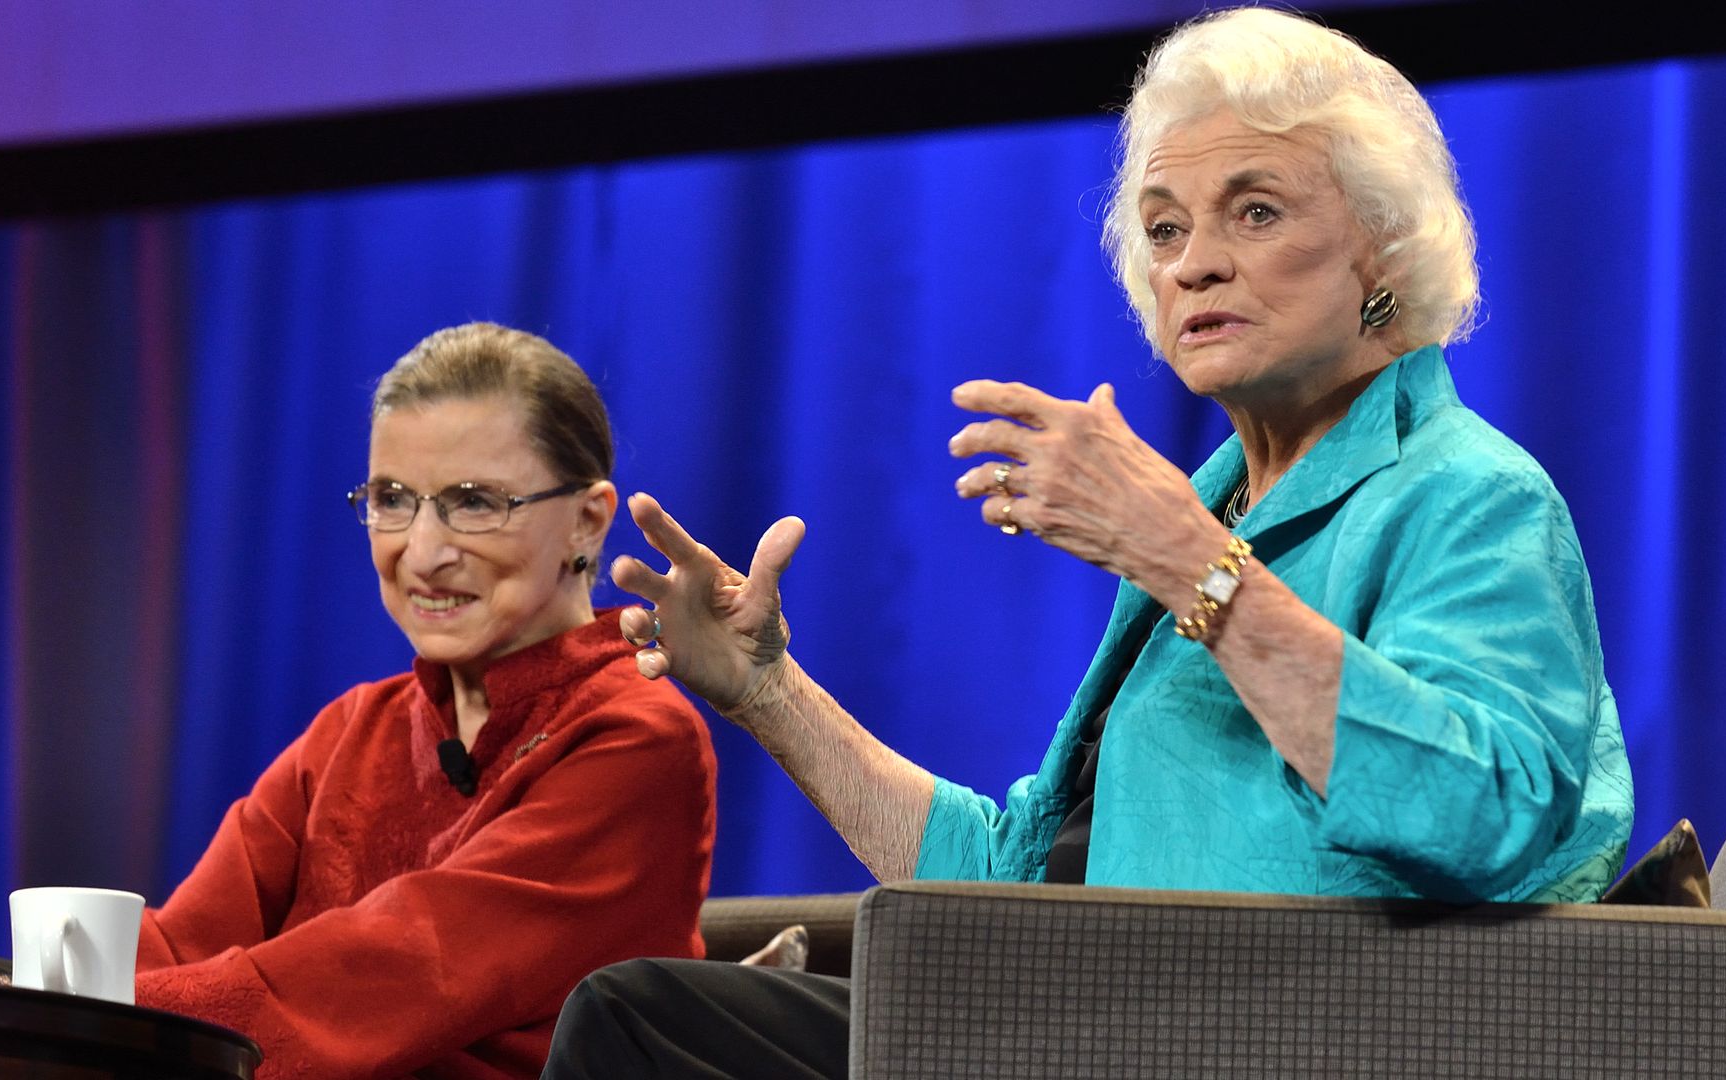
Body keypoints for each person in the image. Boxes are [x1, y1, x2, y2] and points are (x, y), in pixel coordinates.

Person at [544, 8, 1633, 1079]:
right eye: (1164, 230)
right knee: (650, 1018)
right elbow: (1010, 882)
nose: (1194, 264)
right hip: (1087, 1008)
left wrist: (1190, 564)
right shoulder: (1221, 508)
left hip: (1262, 1034)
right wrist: (765, 690)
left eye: (1255, 212)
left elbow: (1486, 821)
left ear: (1385, 249)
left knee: (640, 1022)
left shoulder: (1466, 494)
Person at [135, 323, 717, 1079]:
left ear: (587, 520)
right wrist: (33, 1007)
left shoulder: (637, 736)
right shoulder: (352, 730)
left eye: (473, 502)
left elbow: (398, 969)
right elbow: (180, 944)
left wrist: (110, 1025)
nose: (422, 552)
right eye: (391, 499)